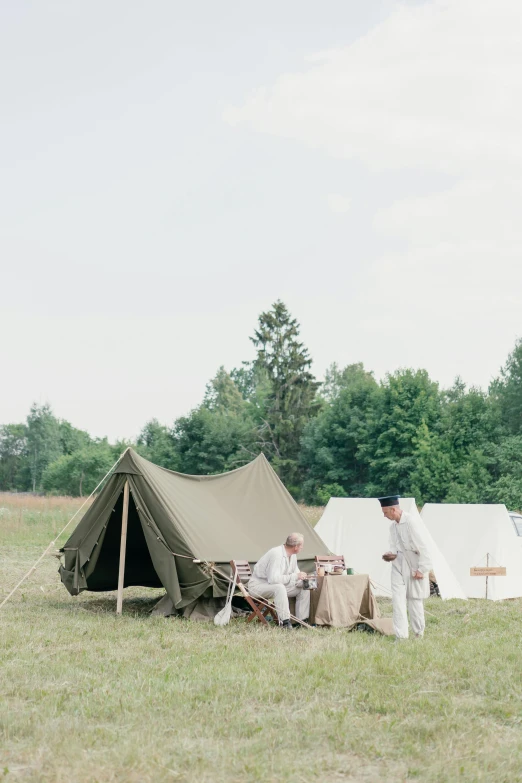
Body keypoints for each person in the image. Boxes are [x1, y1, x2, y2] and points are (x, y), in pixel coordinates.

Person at [379, 495, 432, 640]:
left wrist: (422, 569)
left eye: (385, 512)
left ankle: (418, 633)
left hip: (414, 563)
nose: (384, 516)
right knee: (397, 599)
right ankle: (401, 636)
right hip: (398, 564)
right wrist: (390, 554)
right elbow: (394, 546)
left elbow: (424, 546)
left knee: (414, 600)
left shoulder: (411, 522)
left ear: (393, 509)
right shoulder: (392, 527)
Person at [248, 533, 310, 630]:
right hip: (258, 586)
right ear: (296, 546)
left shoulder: (293, 555)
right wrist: (294, 576)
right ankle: (285, 623)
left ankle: (301, 622)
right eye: (301, 545)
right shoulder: (276, 554)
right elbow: (273, 579)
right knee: (279, 588)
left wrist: (301, 579)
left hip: (276, 586)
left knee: (303, 587)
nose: (302, 547)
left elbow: (295, 574)